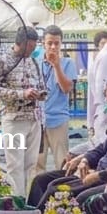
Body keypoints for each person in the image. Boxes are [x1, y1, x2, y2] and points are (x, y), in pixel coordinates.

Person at [28, 82, 107, 209]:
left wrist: (99, 174)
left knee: (56, 190)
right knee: (40, 180)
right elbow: (101, 149)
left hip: (105, 177)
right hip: (92, 170)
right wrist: (85, 160)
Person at [0, 27, 45, 194]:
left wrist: (41, 93)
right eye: (29, 47)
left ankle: (28, 202)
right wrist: (22, 94)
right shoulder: (3, 61)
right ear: (19, 43)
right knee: (15, 165)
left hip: (34, 118)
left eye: (34, 47)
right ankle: (17, 202)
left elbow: (41, 84)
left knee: (31, 165)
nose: (32, 50)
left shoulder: (33, 61)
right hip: (14, 119)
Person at [34, 26, 77, 173]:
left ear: (61, 43)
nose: (53, 46)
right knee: (37, 163)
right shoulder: (35, 62)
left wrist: (57, 66)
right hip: (37, 120)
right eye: (50, 43)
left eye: (57, 43)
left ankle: (63, 194)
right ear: (43, 43)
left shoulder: (67, 63)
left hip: (58, 119)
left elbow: (66, 88)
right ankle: (37, 194)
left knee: (62, 163)